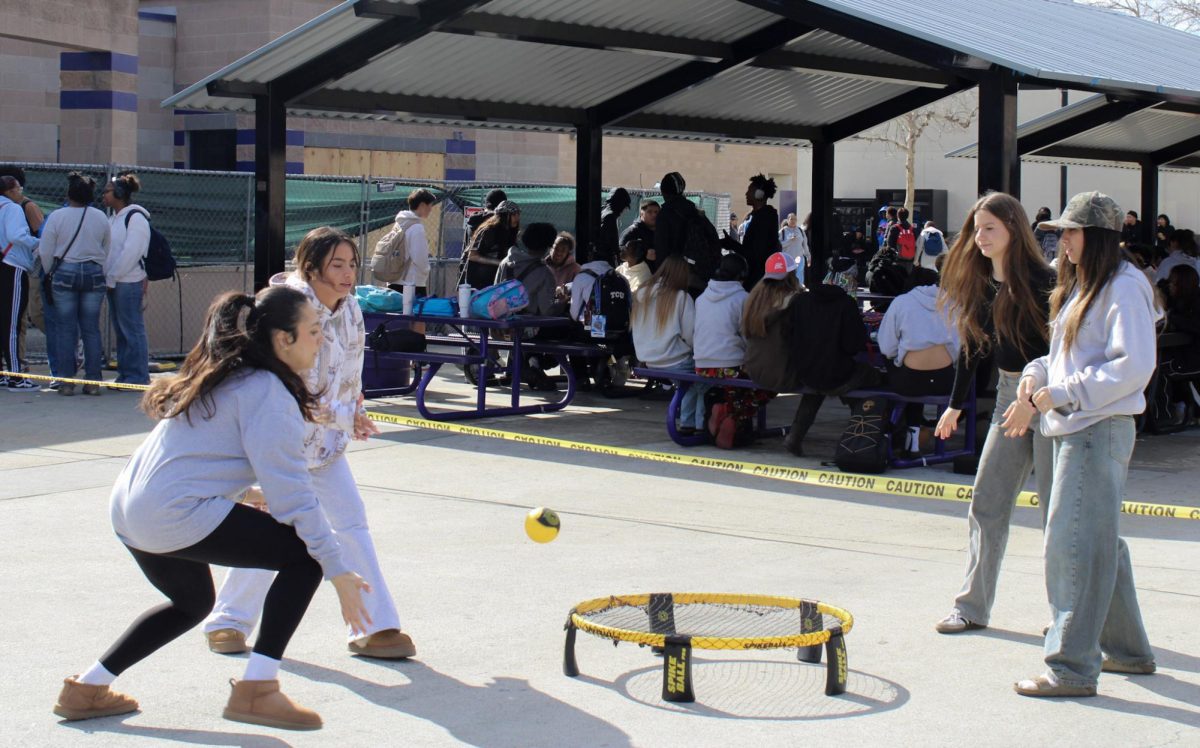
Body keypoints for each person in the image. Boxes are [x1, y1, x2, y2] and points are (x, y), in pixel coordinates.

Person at [54, 286, 370, 730]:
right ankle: (258, 690)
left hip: (130, 511)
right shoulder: (267, 391)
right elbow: (295, 498)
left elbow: (196, 458)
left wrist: (244, 496)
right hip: (170, 514)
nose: (322, 340)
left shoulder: (227, 374)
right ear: (283, 338)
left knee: (192, 602)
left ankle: (86, 689)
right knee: (305, 557)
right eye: (314, 331)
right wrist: (338, 571)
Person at [202, 226, 409, 663]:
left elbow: (348, 369)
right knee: (278, 530)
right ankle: (229, 622)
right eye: (337, 265)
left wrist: (354, 406)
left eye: (352, 263)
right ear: (310, 268)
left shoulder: (352, 308)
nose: (348, 273)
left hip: (326, 446)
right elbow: (291, 391)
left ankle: (375, 627)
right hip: (279, 446)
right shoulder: (288, 313)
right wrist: (344, 414)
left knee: (350, 524)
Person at [1011, 191, 1158, 697]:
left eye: (1070, 232)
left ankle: (1071, 666)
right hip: (1078, 426)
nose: (1061, 241)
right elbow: (1066, 357)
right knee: (1097, 544)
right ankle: (1128, 651)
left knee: (1072, 548)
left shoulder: (1123, 287)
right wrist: (1035, 377)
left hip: (1096, 427)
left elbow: (1133, 365)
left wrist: (1063, 393)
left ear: (1094, 237)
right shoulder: (1086, 286)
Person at [932, 191, 1055, 635]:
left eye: (990, 229)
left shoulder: (1044, 280)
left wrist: (1031, 400)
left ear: (1012, 230)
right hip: (1008, 395)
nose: (980, 238)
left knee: (1056, 513)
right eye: (976, 230)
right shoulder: (983, 283)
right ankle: (971, 607)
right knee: (987, 500)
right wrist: (954, 406)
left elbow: (1057, 351)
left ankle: (1066, 616)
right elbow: (973, 347)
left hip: (1049, 398)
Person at [783, 254, 883, 457]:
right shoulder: (846, 304)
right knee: (873, 379)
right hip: (838, 373)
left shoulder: (801, 301)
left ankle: (795, 435)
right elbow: (854, 345)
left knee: (816, 386)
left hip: (805, 370)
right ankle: (863, 436)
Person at [37, 173, 110, 396]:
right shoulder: (100, 217)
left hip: (64, 272)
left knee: (65, 329)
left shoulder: (57, 216)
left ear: (69, 193)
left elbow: (46, 250)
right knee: (91, 329)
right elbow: (107, 247)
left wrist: (50, 271)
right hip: (93, 272)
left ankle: (66, 381)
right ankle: (93, 381)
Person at [878, 268, 960, 453]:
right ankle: (913, 435)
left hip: (908, 382)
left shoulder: (901, 303)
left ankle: (905, 435)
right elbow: (960, 347)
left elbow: (886, 347)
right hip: (945, 381)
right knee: (919, 372)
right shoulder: (954, 304)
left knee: (901, 365)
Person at [696, 254, 767, 448]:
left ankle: (724, 414)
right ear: (742, 275)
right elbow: (748, 336)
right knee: (768, 384)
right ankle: (733, 416)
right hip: (731, 365)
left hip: (702, 365)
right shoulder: (743, 298)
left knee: (739, 388)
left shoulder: (702, 297)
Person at [631, 255, 702, 431]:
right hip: (674, 359)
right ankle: (693, 424)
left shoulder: (641, 294)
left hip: (648, 359)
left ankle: (692, 423)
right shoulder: (681, 298)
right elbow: (690, 335)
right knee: (705, 380)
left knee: (690, 383)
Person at [102, 173, 151, 386]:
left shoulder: (136, 218)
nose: (104, 195)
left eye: (107, 191)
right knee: (121, 331)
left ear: (120, 194)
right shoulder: (113, 219)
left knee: (132, 330)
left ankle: (138, 376)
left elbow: (132, 252)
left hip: (128, 282)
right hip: (114, 281)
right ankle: (125, 374)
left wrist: (113, 276)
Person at [1, 166, 46, 376]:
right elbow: (16, 236)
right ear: (10, 190)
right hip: (14, 267)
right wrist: (37, 243)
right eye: (19, 188)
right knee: (12, 324)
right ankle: (16, 375)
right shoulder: (13, 208)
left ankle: (5, 373)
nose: (21, 191)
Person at [742, 253, 805, 395]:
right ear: (792, 275)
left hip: (753, 370)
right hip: (784, 375)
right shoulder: (795, 301)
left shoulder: (754, 299)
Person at [735, 174, 781, 291]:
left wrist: (732, 245)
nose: (746, 194)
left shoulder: (765, 218)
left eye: (749, 190)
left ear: (759, 194)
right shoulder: (761, 216)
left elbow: (756, 253)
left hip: (757, 280)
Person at [387, 188, 436, 297]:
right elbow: (420, 257)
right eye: (430, 205)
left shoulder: (400, 223)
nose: (431, 209)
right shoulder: (417, 227)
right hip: (412, 283)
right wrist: (426, 270)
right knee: (413, 312)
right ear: (422, 205)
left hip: (395, 280)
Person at [462, 200, 520, 290]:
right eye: (513, 214)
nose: (517, 217)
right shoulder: (488, 231)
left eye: (518, 214)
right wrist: (499, 262)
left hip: (496, 277)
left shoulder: (510, 232)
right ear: (504, 215)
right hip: (479, 279)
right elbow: (472, 255)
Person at [594, 188, 631, 266]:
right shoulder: (610, 217)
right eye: (625, 207)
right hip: (603, 262)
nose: (624, 211)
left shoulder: (602, 211)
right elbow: (609, 245)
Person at [620, 198, 659, 270]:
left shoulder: (660, 232)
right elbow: (620, 254)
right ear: (641, 213)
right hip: (637, 276)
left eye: (656, 212)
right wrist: (644, 255)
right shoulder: (632, 231)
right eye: (649, 212)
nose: (654, 215)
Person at [887, 206, 917, 271]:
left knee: (898, 278)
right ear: (907, 216)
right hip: (910, 259)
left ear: (898, 216)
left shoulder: (894, 228)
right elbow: (916, 243)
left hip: (898, 259)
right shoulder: (912, 229)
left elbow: (889, 244)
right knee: (907, 277)